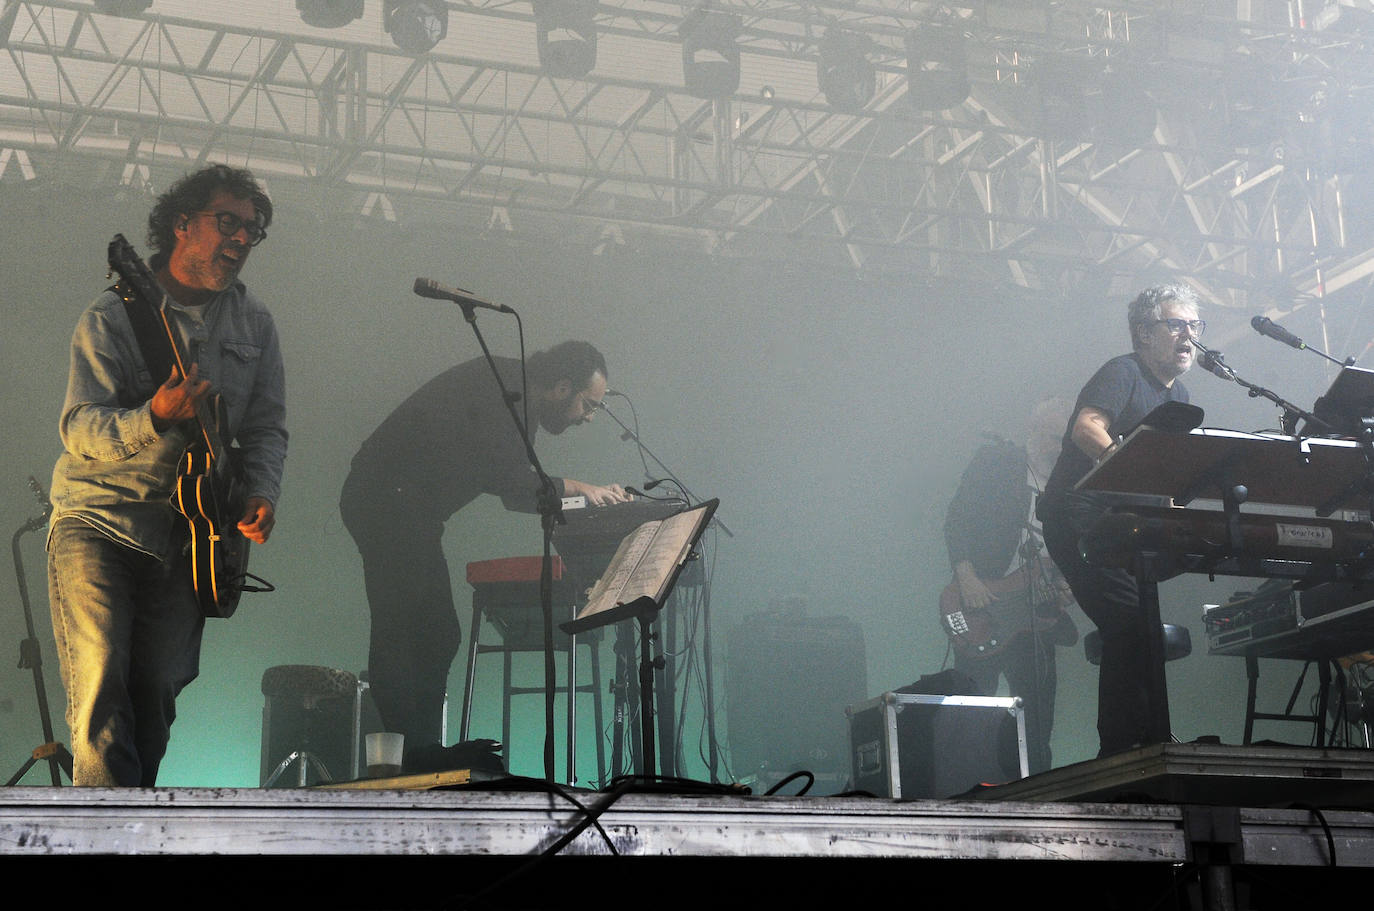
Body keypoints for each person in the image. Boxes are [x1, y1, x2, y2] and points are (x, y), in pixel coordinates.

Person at [47, 164, 288, 786]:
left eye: (251, 231)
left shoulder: (254, 323)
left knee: (155, 699)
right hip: (99, 520)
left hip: (191, 534)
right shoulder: (113, 316)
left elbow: (265, 428)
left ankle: (128, 819)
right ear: (182, 225)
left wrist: (260, 491)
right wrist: (153, 417)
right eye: (226, 222)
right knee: (101, 684)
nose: (239, 239)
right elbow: (78, 428)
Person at [339, 341, 629, 774]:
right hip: (387, 500)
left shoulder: (515, 390)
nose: (588, 417)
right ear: (562, 386)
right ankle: (414, 756)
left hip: (402, 505)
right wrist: (581, 488)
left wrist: (572, 491)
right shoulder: (507, 390)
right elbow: (513, 485)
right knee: (406, 625)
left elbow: (507, 480)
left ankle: (418, 752)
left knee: (434, 631)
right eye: (588, 405)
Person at [1036, 283, 1201, 758]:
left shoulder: (1180, 393)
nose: (1187, 335)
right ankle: (1121, 748)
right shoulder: (1122, 372)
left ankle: (1143, 739)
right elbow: (1087, 427)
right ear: (1143, 333)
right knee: (1129, 623)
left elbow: (1160, 474)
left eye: (1193, 325)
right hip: (1078, 518)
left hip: (1121, 526)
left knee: (1138, 624)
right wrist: (1127, 465)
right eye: (1175, 324)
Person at [941, 398, 1078, 775]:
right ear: (1033, 433)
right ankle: (967, 792)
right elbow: (957, 519)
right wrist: (965, 575)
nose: (1060, 447)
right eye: (1053, 437)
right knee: (971, 711)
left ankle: (1037, 797)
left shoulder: (1070, 485)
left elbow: (1071, 552)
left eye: (1066, 440)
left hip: (1037, 616)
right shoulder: (997, 463)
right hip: (985, 604)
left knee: (1036, 725)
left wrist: (1068, 586)